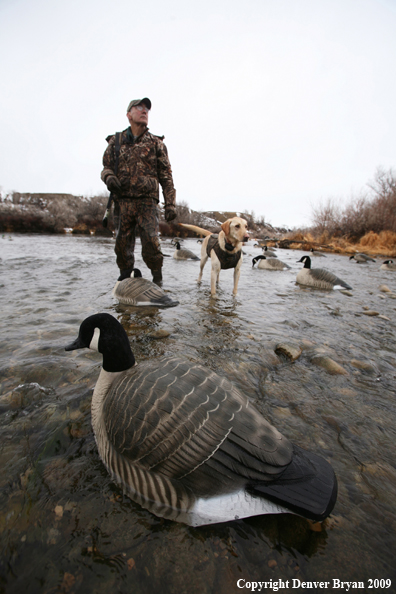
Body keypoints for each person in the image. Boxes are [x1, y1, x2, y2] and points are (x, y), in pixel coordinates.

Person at [101, 98, 177, 284]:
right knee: (122, 246)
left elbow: (166, 177)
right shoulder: (115, 141)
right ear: (129, 115)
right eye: (139, 108)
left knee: (152, 244)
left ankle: (157, 281)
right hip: (123, 202)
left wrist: (170, 205)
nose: (144, 111)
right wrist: (109, 177)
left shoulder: (156, 143)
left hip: (147, 203)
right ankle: (126, 279)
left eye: (147, 109)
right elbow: (106, 167)